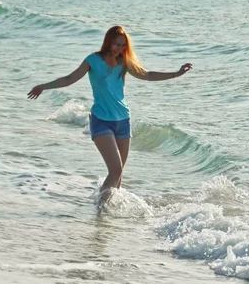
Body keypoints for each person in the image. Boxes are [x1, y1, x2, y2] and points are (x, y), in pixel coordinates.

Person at [27, 25, 193, 201]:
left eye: (123, 45)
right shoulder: (93, 60)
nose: (119, 48)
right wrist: (43, 86)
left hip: (123, 120)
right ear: (108, 42)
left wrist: (176, 74)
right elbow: (69, 79)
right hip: (101, 120)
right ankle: (100, 211)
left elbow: (148, 75)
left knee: (118, 173)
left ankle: (107, 221)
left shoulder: (124, 63)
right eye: (116, 44)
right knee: (116, 169)